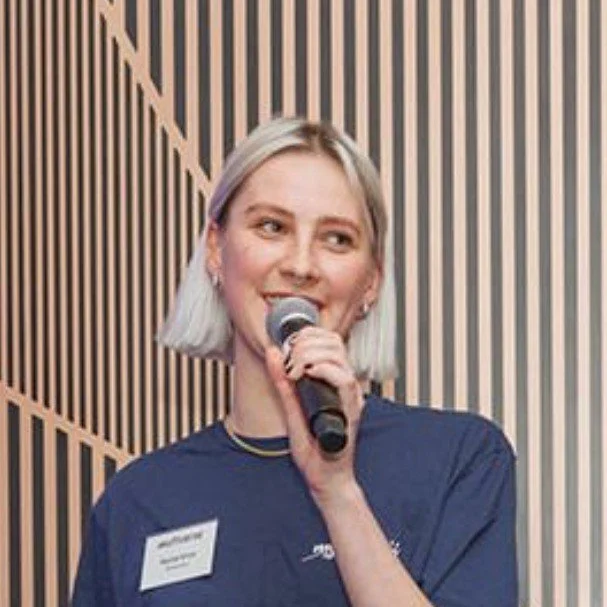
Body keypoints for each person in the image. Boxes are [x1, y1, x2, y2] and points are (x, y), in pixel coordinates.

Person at [71, 117, 518, 606]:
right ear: (216, 249)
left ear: (371, 282)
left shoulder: (458, 459)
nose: (301, 265)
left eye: (336, 238)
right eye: (272, 227)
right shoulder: (139, 499)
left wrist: (338, 490)